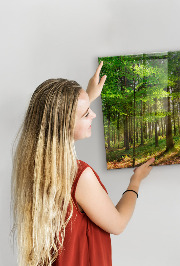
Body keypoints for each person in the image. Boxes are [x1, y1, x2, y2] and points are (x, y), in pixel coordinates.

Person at [11, 62, 155, 266]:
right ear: (65, 124)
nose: (93, 115)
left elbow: (60, 118)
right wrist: (135, 181)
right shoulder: (79, 176)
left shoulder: (35, 165)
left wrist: (88, 96)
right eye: (86, 113)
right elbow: (118, 224)